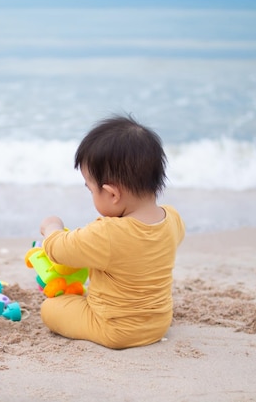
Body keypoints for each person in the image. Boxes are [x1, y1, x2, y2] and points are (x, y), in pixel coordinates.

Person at [39, 114, 185, 349]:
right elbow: (140, 253)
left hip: (113, 328)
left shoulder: (107, 233)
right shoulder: (172, 219)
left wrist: (51, 227)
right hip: (158, 324)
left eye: (91, 190)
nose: (91, 196)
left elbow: (60, 250)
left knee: (50, 309)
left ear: (112, 194)